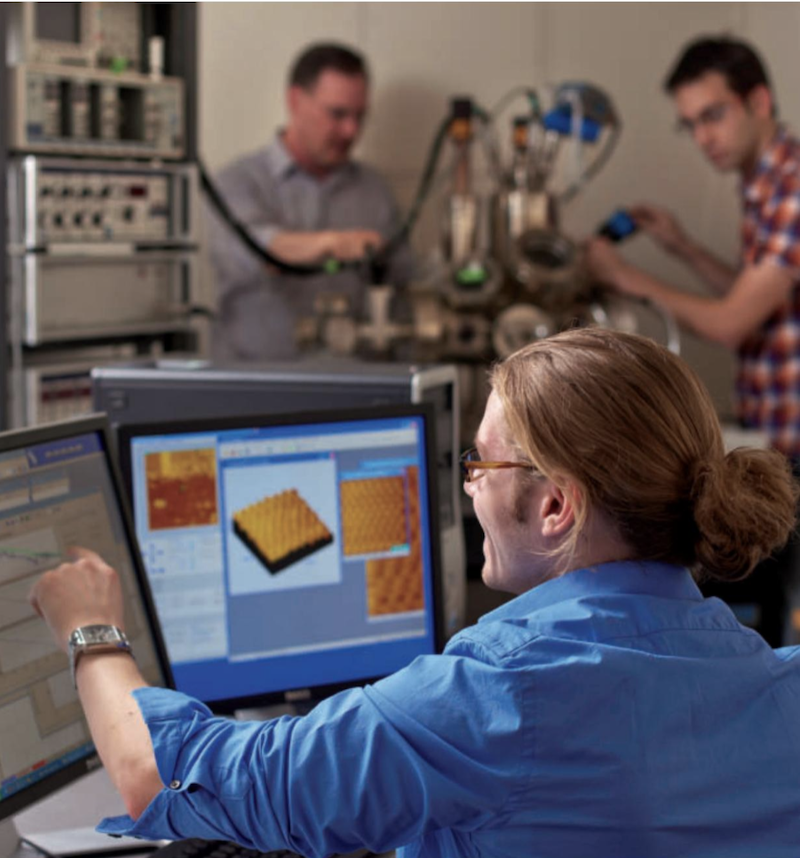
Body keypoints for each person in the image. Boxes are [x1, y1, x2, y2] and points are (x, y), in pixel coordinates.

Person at [30, 329, 800, 857]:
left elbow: (157, 775)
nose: (468, 487)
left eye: (482, 465)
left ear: (557, 507)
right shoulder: (777, 684)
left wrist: (92, 630)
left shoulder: (504, 690)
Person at [585, 36, 800, 460]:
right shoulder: (766, 184)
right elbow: (757, 298)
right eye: (691, 124)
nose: (703, 137)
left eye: (713, 116)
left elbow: (731, 323)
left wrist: (622, 276)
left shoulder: (791, 188)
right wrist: (682, 247)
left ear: (759, 101)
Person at [207, 42, 414, 361]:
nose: (351, 130)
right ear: (295, 101)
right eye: (337, 114)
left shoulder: (374, 190)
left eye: (360, 116)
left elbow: (404, 278)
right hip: (257, 386)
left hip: (354, 388)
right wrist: (334, 244)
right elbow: (260, 249)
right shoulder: (237, 183)